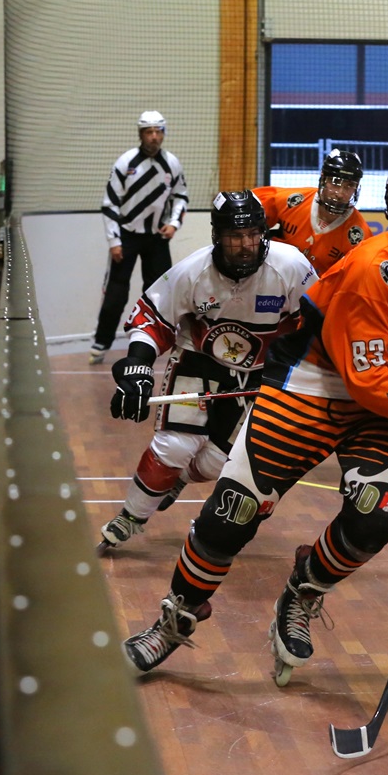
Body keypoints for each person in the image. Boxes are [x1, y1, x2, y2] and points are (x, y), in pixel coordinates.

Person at [120, 158, 388, 681]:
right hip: (312, 383)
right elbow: (365, 377)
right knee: (232, 513)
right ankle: (175, 618)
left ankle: (304, 588)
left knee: (376, 518)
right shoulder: (372, 268)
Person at [96, 190, 317, 552]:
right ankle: (130, 516)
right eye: (235, 236)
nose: (246, 245)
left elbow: (321, 319)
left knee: (220, 463)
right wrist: (137, 366)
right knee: (174, 446)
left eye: (253, 234)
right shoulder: (192, 271)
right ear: (217, 236)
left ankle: (177, 478)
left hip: (261, 374)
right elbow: (151, 317)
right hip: (199, 360)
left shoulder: (291, 265)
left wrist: (307, 373)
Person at [89, 111, 188, 364]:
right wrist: (114, 241)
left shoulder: (172, 163)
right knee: (115, 294)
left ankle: (159, 342)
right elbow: (110, 203)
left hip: (157, 239)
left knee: (161, 294)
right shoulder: (126, 162)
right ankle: (100, 344)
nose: (153, 136)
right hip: (127, 237)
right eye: (148, 132)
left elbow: (181, 196)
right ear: (140, 134)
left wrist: (174, 223)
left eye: (158, 131)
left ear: (164, 133)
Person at [251, 148, 371, 275]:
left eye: (349, 185)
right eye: (335, 182)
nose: (340, 193)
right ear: (323, 179)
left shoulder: (361, 237)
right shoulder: (291, 201)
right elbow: (248, 205)